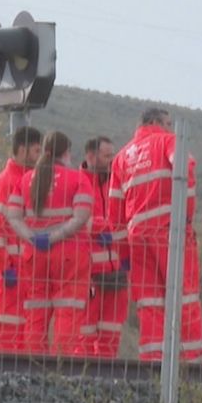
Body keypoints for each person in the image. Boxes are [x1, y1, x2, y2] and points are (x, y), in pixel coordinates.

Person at [108, 108, 202, 361]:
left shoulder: (121, 158)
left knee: (149, 303)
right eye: (167, 123)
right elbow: (186, 169)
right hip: (169, 232)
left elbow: (114, 214)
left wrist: (123, 254)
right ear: (155, 122)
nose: (170, 128)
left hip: (137, 237)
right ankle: (191, 360)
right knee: (185, 296)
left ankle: (153, 362)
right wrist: (186, 218)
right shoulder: (167, 141)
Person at [7, 132, 94, 356]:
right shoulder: (78, 178)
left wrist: (33, 237)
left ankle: (34, 367)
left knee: (36, 312)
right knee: (68, 310)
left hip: (34, 255)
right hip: (69, 253)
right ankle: (61, 366)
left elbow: (13, 216)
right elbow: (81, 216)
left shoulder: (26, 179)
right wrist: (55, 236)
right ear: (66, 152)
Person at [0, 126, 42, 353]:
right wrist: (3, 266)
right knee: (7, 326)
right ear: (22, 150)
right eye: (37, 151)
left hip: (28, 269)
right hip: (12, 270)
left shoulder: (29, 181)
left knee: (25, 328)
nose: (39, 157)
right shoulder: (6, 181)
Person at [80, 136, 127, 358]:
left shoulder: (115, 184)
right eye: (107, 156)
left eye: (112, 156)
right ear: (91, 156)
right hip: (88, 274)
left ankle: (107, 376)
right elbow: (75, 220)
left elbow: (125, 219)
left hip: (116, 273)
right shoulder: (77, 183)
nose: (111, 161)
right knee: (85, 332)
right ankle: (83, 376)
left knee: (111, 332)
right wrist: (102, 229)